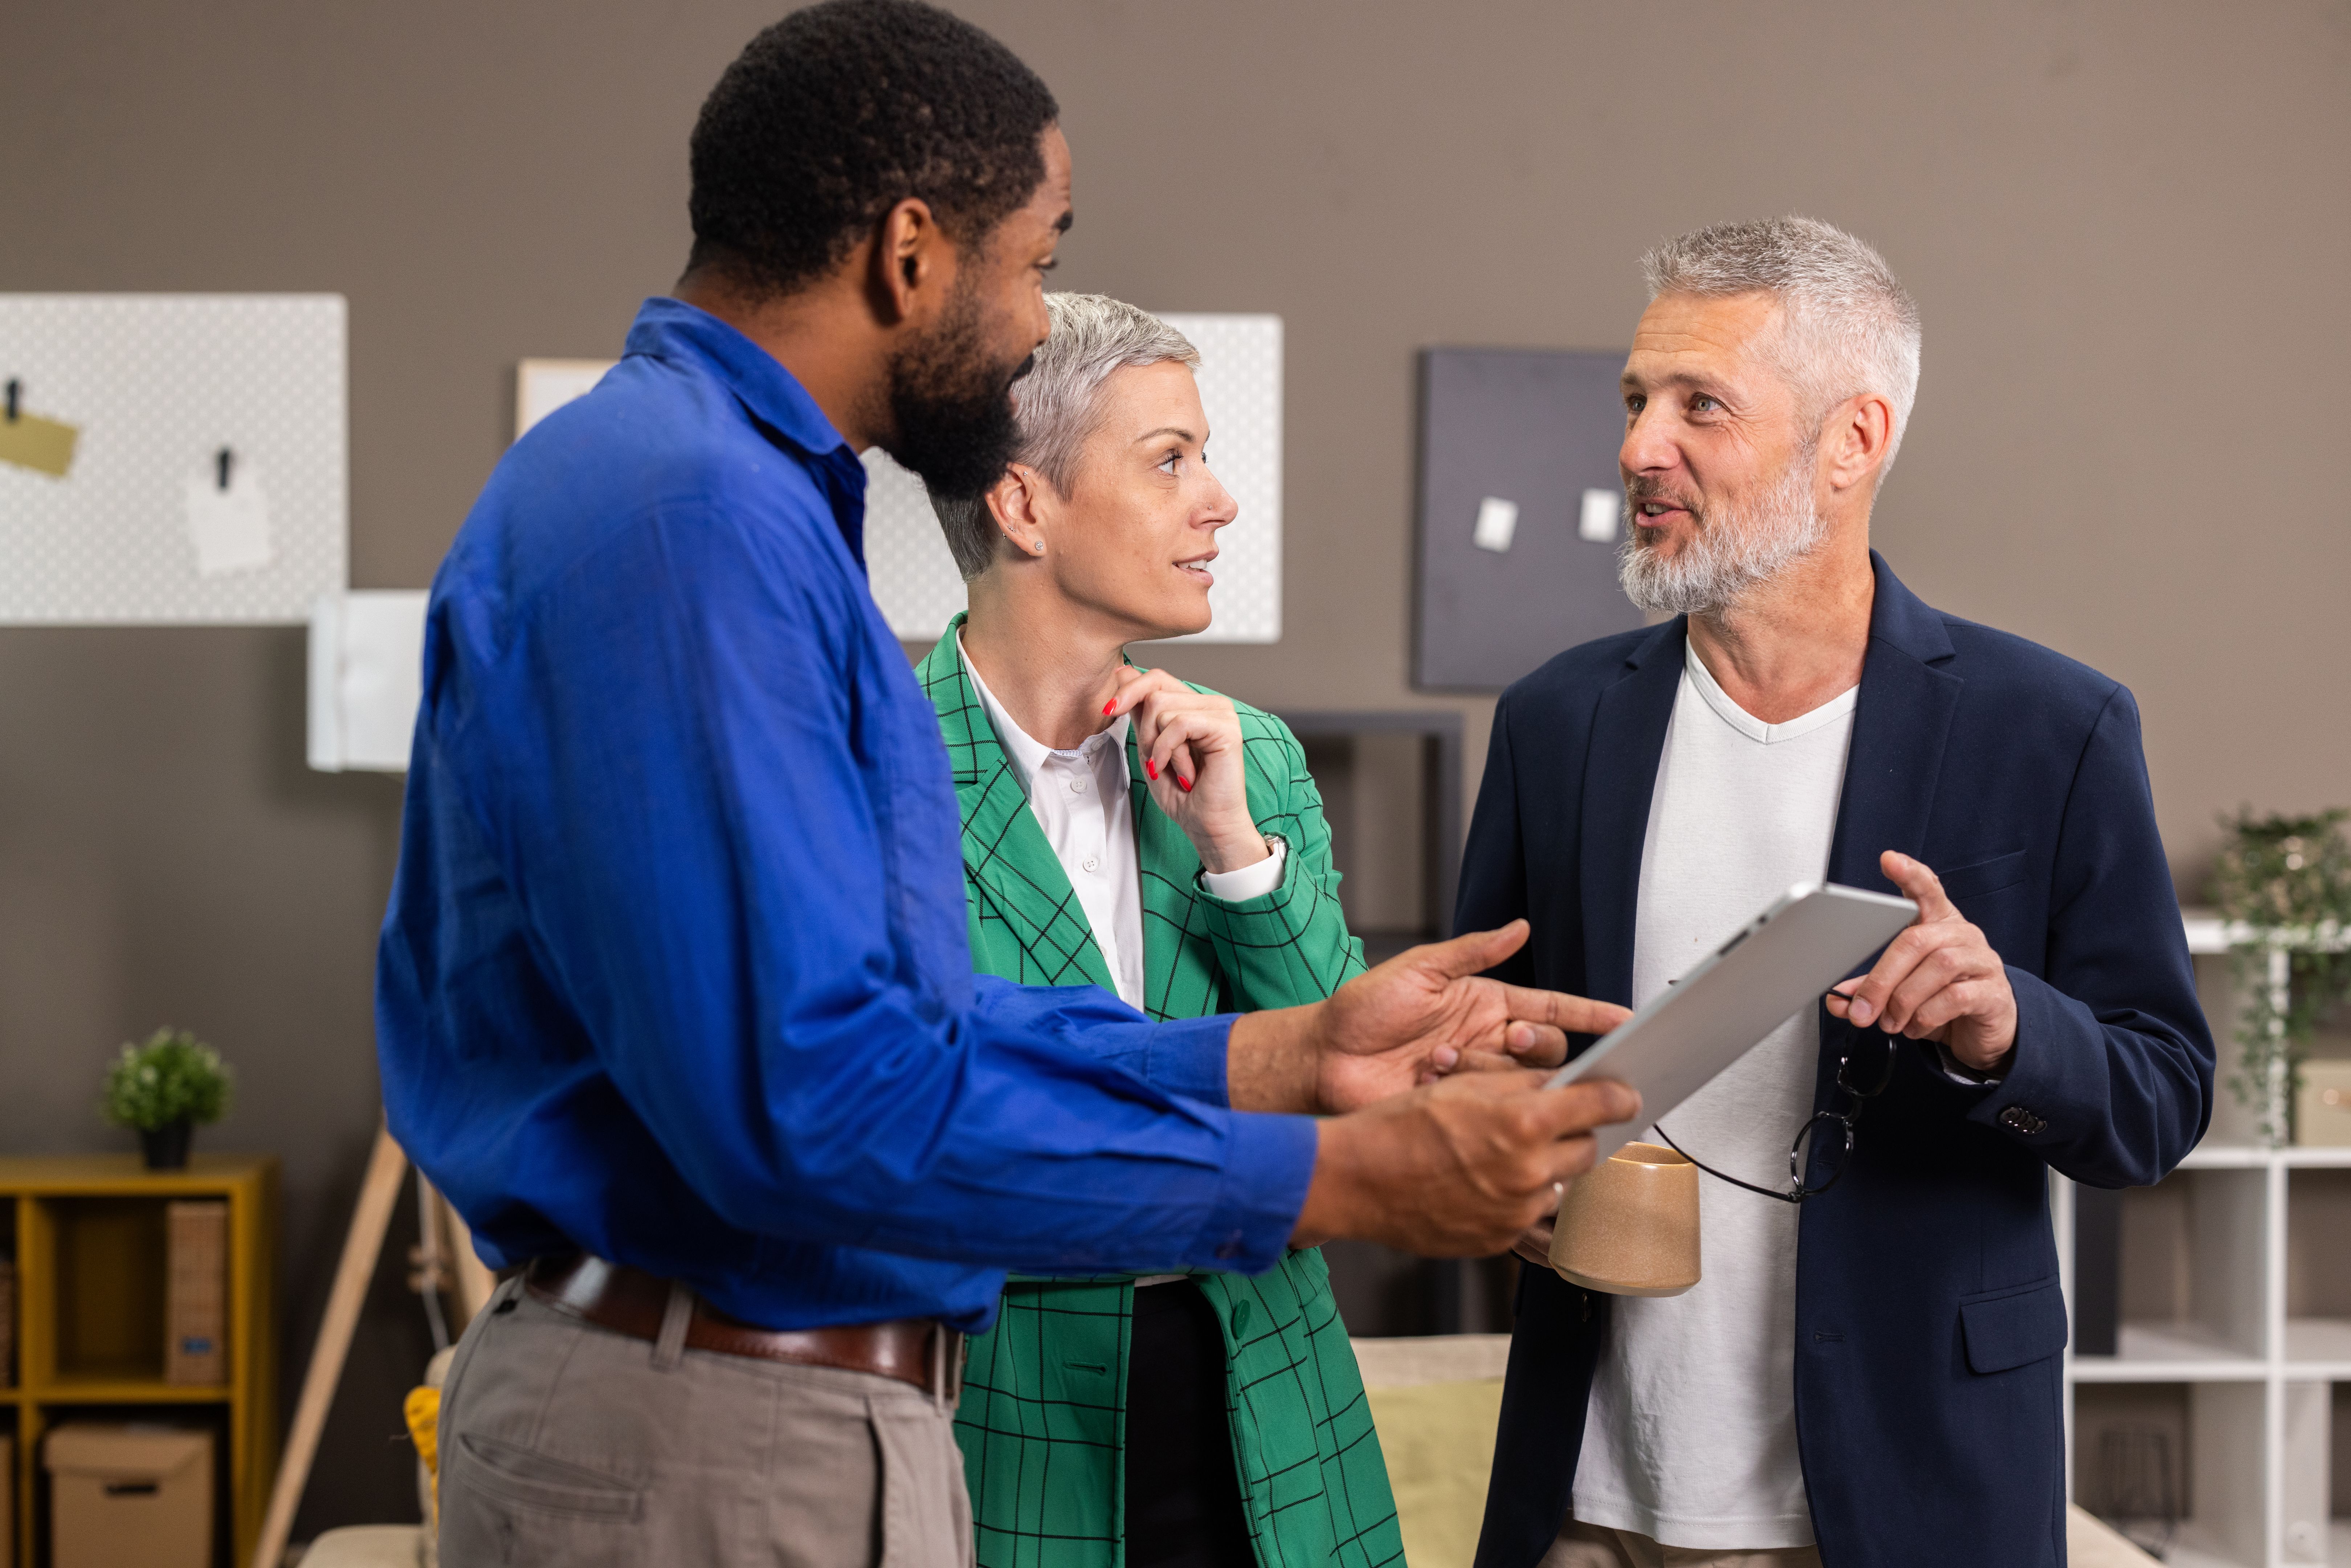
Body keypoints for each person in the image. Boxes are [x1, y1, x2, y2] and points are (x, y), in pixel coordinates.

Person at [375, 5, 1639, 1564]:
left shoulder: (734, 506)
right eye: (1037, 262)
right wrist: (1343, 1172)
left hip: (765, 1411)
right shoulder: (683, 523)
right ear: (912, 255)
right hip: (707, 1421)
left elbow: (898, 1029)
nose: (1041, 322)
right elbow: (817, 1108)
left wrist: (1283, 1055)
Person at [1458, 217, 2213, 1568]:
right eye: (1636, 400)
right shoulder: (1554, 723)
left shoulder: (2056, 728)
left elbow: (2161, 1101)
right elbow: (1476, 1043)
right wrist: (1476, 1114)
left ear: (1854, 440)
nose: (1640, 447)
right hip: (1587, 1499)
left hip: (1909, 1502)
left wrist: (2007, 1028)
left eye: (1700, 406)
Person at [921, 293, 1405, 1567]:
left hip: (1272, 1401)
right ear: (1024, 507)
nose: (1222, 500)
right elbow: (927, 1128)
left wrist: (1238, 857)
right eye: (1171, 460)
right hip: (1016, 1424)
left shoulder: (1251, 758)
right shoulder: (874, 775)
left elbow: (1344, 1072)